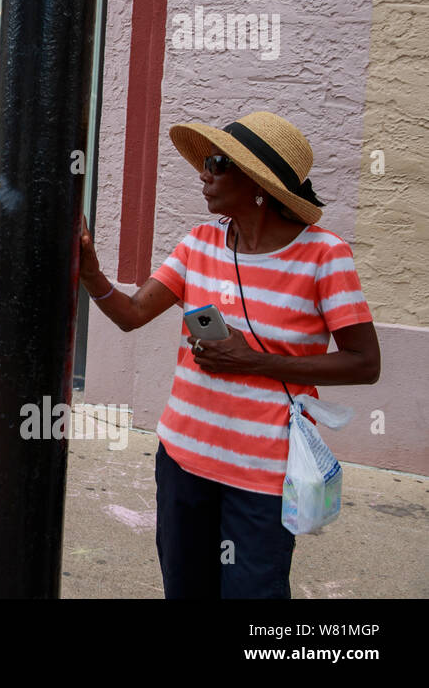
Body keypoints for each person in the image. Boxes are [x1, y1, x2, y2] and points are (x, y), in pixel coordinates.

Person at [79, 111, 380, 598]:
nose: (204, 174)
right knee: (186, 588)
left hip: (261, 474)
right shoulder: (199, 244)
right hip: (181, 458)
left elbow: (365, 364)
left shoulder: (325, 256)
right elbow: (132, 314)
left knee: (252, 592)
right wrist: (91, 272)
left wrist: (254, 361)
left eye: (218, 164)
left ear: (259, 183)